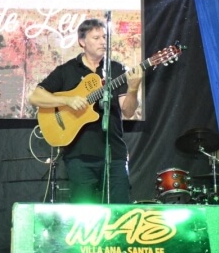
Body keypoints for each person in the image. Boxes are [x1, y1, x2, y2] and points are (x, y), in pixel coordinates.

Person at [28, 18, 142, 203]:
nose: (102, 42)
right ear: (82, 41)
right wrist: (67, 99)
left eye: (104, 37)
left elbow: (128, 112)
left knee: (120, 211)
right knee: (84, 213)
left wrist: (133, 88)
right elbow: (35, 97)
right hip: (79, 156)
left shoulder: (116, 69)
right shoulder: (67, 70)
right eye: (96, 37)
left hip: (114, 154)